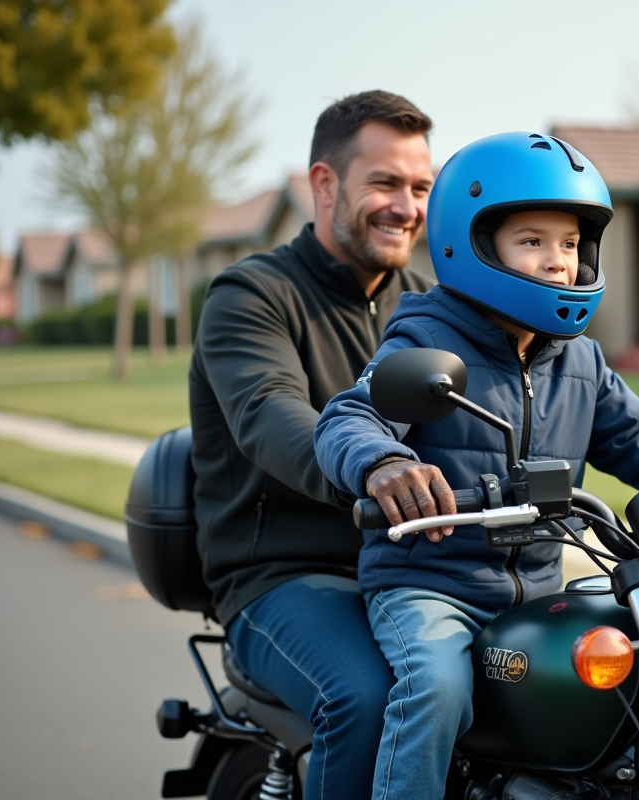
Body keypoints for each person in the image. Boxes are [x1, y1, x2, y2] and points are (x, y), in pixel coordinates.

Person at [312, 131, 639, 800]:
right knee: (436, 687)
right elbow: (349, 418)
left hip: (540, 594)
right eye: (531, 241)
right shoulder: (424, 340)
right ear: (471, 245)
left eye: (570, 244)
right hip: (431, 590)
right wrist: (384, 463)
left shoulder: (579, 361)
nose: (558, 261)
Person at [189, 90, 435, 800]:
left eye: (421, 187)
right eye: (385, 183)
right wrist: (372, 464)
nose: (407, 207)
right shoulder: (252, 295)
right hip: (281, 575)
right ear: (324, 184)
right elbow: (269, 411)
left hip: (416, 571)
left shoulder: (430, 304)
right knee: (364, 695)